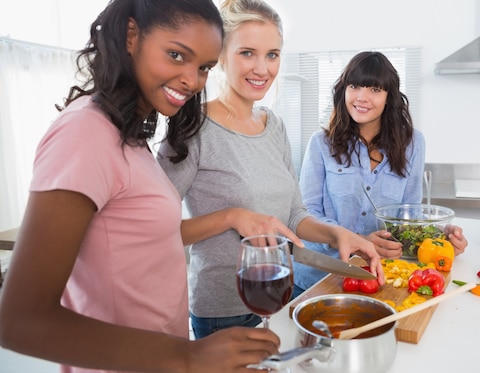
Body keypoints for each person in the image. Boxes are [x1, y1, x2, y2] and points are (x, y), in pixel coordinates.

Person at [0, 1, 283, 372]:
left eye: (202, 68)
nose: (191, 80)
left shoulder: (129, 138)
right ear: (132, 36)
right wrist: (188, 355)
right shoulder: (85, 132)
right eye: (176, 55)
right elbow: (19, 321)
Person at [156, 0, 383, 340]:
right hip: (224, 314)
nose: (262, 68)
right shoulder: (191, 127)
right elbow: (152, 233)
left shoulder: (273, 125)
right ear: (220, 55)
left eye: (272, 54)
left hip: (280, 298)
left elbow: (293, 214)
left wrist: (337, 235)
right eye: (247, 52)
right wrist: (232, 216)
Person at [293, 51, 468, 297]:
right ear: (344, 90)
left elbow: (409, 215)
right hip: (319, 277)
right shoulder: (321, 143)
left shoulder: (413, 143)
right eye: (354, 86)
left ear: (389, 97)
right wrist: (359, 241)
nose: (362, 97)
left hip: (380, 278)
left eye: (375, 89)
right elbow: (306, 214)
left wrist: (440, 240)